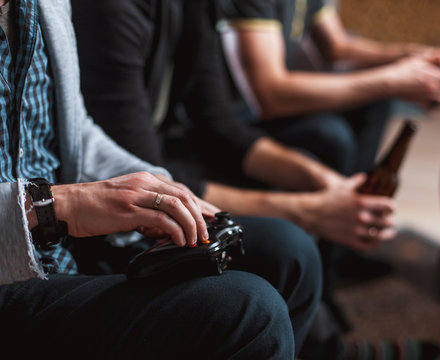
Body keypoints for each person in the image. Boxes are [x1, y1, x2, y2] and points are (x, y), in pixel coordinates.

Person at [0, 0, 322, 358]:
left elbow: (76, 132)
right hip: (13, 275)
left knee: (288, 252)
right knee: (249, 311)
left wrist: (157, 185)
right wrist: (56, 205)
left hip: (66, 250)